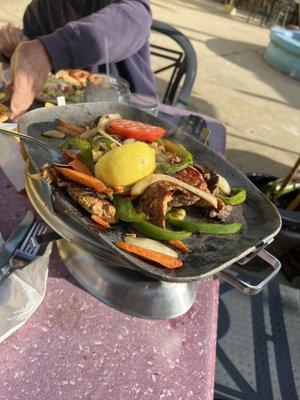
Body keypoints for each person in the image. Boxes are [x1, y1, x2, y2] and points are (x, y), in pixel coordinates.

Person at [0, 0, 155, 120]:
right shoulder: (43, 6)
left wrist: (45, 50)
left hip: (130, 115)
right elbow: (28, 57)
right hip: (58, 115)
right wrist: (11, 44)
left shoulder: (129, 9)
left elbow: (136, 18)